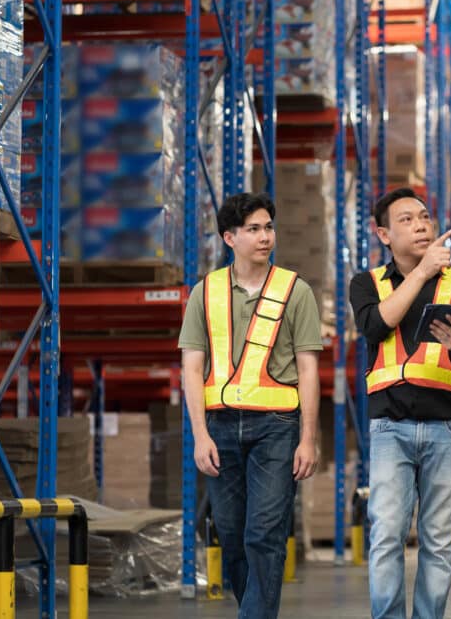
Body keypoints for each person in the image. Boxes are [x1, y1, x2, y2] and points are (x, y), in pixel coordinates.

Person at [349, 188, 451, 619]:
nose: (420, 225)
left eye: (424, 217)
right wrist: (421, 272)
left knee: (438, 541)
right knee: (386, 537)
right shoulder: (367, 284)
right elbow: (377, 325)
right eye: (406, 220)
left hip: (448, 427)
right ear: (383, 233)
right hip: (390, 427)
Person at [178, 192, 322, 619]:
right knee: (233, 536)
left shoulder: (295, 291)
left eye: (269, 228)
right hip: (220, 429)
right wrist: (199, 435)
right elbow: (191, 368)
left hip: (277, 428)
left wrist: (309, 439)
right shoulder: (205, 293)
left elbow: (309, 370)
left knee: (264, 533)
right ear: (229, 237)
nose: (265, 237)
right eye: (254, 229)